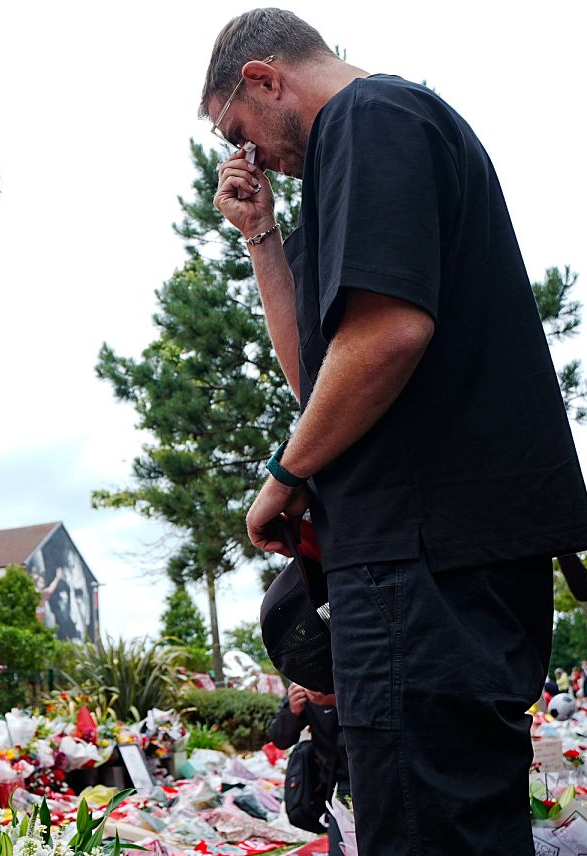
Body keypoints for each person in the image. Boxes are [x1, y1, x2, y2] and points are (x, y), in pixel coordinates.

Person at [201, 9, 587, 855]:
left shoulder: (369, 119)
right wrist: (263, 236)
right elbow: (324, 378)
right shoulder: (377, 138)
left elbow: (387, 337)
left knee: (422, 824)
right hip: (443, 556)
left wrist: (285, 474)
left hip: (424, 561)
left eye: (239, 128)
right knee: (454, 815)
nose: (248, 154)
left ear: (264, 78)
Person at [270, 683, 348, 856]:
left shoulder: (363, 671)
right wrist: (292, 711)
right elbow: (280, 738)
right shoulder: (309, 678)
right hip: (339, 788)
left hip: (380, 778)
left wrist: (337, 700)